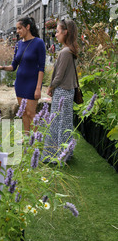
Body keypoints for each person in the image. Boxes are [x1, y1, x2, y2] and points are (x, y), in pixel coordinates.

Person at [0, 17, 46, 133]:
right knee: (23, 112)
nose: (17, 31)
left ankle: (35, 140)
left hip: (32, 84)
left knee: (31, 113)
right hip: (20, 83)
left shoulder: (38, 43)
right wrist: (3, 67)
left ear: (27, 27)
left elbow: (41, 68)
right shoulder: (18, 45)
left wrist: (38, 88)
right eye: (17, 28)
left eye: (20, 28)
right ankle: (26, 137)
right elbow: (13, 66)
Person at [42, 18, 79, 162]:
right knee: (64, 123)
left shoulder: (65, 52)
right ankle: (65, 153)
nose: (55, 35)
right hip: (68, 92)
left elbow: (59, 76)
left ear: (65, 32)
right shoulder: (70, 50)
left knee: (58, 123)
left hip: (62, 92)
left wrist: (50, 87)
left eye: (57, 32)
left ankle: (56, 154)